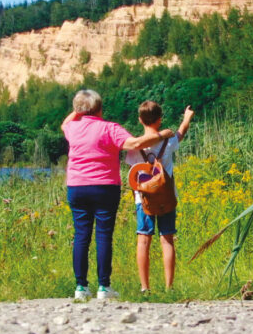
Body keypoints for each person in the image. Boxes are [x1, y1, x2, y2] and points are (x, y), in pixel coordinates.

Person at [61, 89, 174, 300]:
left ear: (78, 109)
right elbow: (136, 143)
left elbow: (66, 122)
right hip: (104, 186)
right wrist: (162, 135)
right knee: (103, 235)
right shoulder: (109, 128)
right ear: (100, 109)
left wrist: (78, 110)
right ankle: (104, 287)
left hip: (76, 186)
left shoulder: (72, 128)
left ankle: (80, 287)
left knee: (81, 235)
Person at [125, 102, 194, 293]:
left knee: (143, 240)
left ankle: (145, 287)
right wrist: (186, 118)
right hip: (166, 198)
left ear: (140, 120)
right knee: (167, 239)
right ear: (160, 119)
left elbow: (131, 173)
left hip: (143, 199)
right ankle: (168, 287)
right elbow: (180, 133)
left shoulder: (135, 147)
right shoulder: (168, 142)